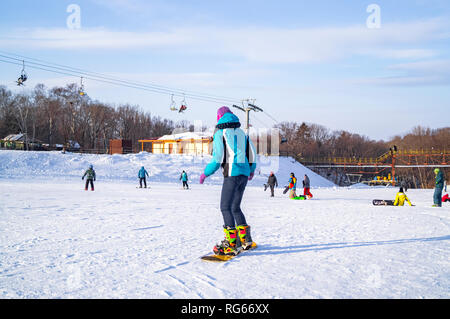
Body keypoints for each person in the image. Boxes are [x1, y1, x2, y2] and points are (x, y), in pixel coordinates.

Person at [199, 106, 257, 256]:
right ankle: (246, 240)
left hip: (232, 173)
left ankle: (231, 243)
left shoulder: (220, 133)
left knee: (225, 207)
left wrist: (206, 173)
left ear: (219, 118)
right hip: (243, 174)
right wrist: (250, 170)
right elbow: (252, 153)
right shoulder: (242, 133)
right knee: (235, 207)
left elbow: (217, 158)